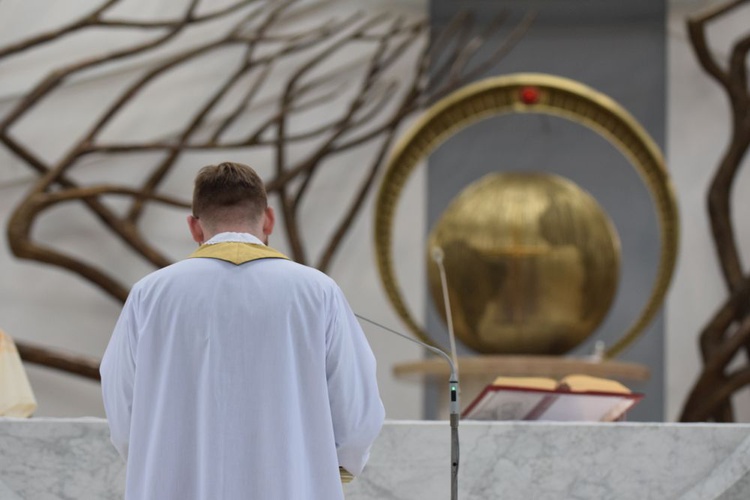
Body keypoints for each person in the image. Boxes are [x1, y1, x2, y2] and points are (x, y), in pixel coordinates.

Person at [100, 161, 385, 500]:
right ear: (268, 219)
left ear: (194, 227)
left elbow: (122, 409)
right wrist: (323, 467)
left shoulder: (149, 295)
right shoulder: (318, 292)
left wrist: (162, 462)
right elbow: (356, 414)